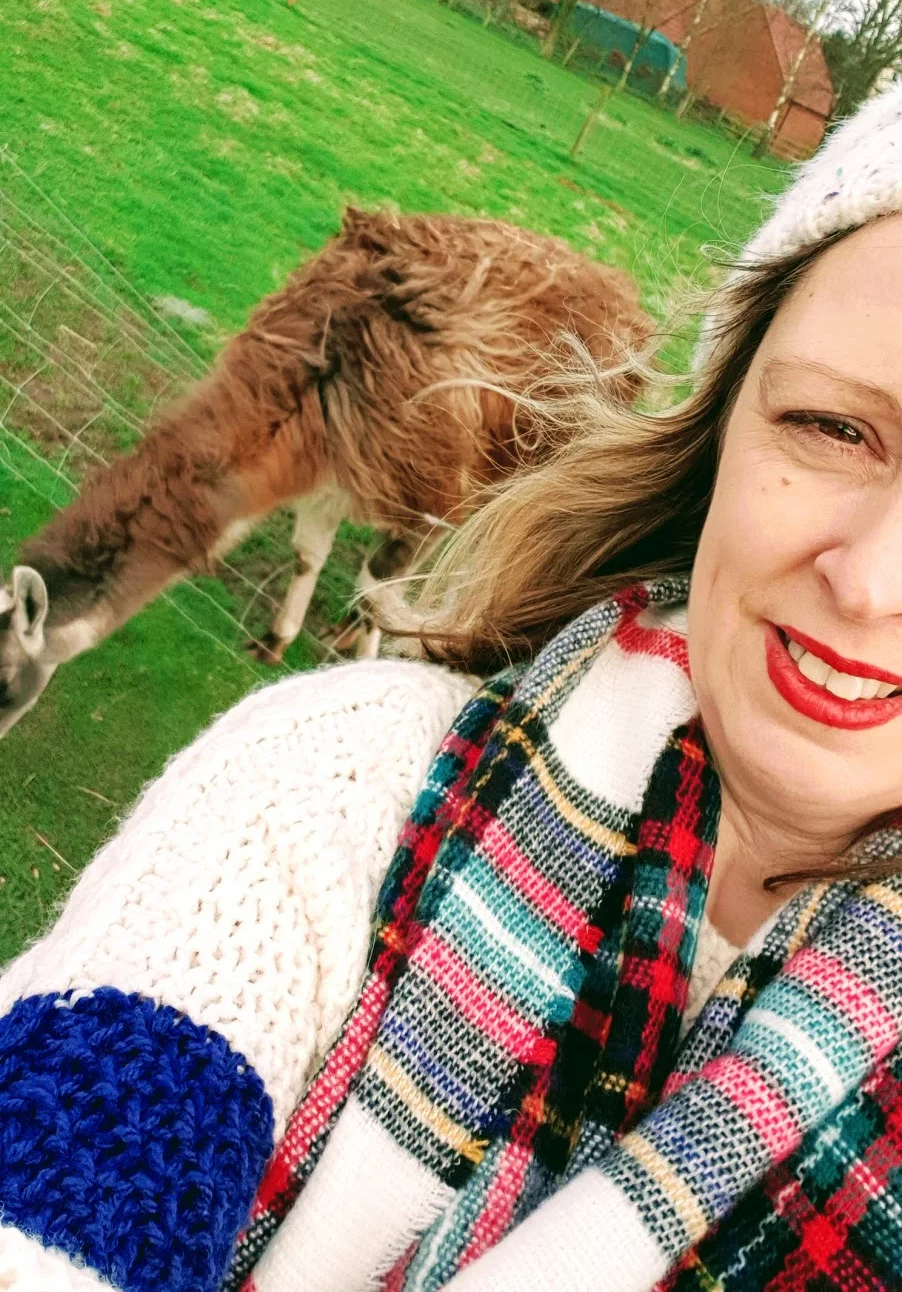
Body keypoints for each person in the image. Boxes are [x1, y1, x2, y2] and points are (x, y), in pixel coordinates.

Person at [4, 87, 902, 1292]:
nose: (870, 583)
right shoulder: (334, 787)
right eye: (832, 427)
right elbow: (89, 1137)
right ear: (720, 428)